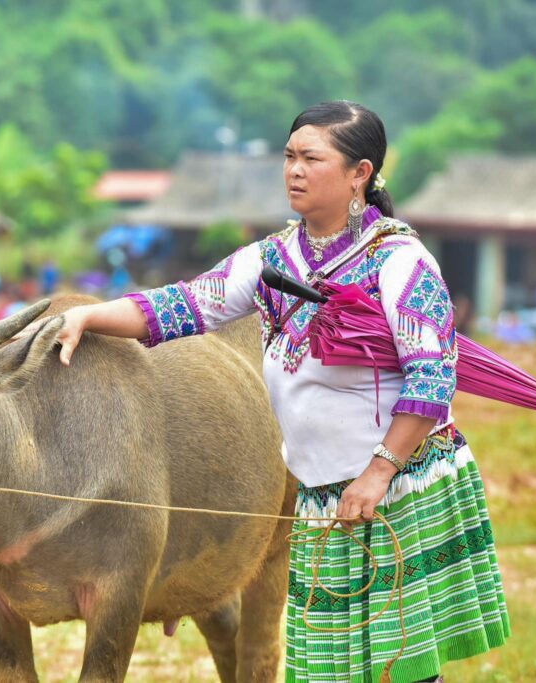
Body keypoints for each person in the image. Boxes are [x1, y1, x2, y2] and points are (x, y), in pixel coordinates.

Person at [52, 101, 509, 682]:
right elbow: (187, 304)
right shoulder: (273, 258)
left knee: (397, 670)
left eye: (311, 158)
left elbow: (432, 377)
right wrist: (90, 318)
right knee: (330, 668)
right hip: (320, 492)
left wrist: (379, 471)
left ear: (359, 173)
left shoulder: (399, 260)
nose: (294, 169)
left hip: (395, 488)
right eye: (289, 156)